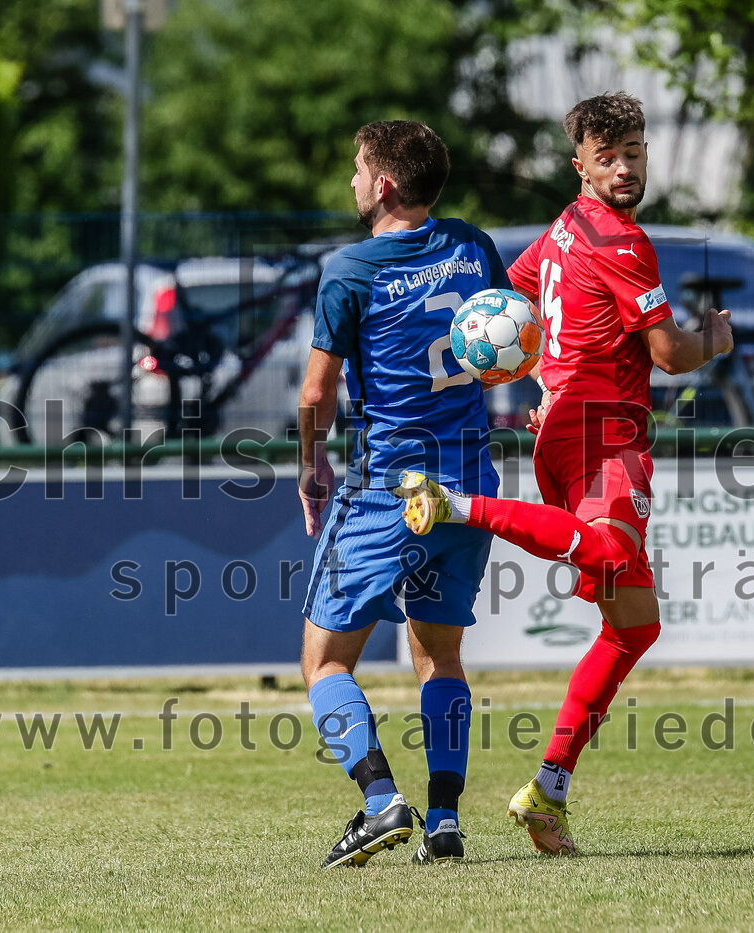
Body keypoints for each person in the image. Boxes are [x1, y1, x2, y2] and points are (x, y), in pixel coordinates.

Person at [395, 93, 734, 855]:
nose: (623, 168)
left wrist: (540, 370)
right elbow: (669, 355)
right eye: (606, 157)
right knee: (609, 551)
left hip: (563, 432)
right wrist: (713, 337)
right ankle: (453, 504)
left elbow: (510, 296)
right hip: (604, 434)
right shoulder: (622, 240)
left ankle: (547, 791)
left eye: (633, 153)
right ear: (580, 163)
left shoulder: (562, 228)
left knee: (635, 624)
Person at [298, 120, 511, 868]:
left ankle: (381, 801)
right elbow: (511, 338)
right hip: (469, 486)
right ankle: (444, 820)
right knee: (440, 655)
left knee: (325, 662)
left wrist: (311, 462)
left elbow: (316, 392)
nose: (353, 181)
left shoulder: (350, 269)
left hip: (390, 487)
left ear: (384, 184)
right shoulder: (472, 245)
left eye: (359, 169)